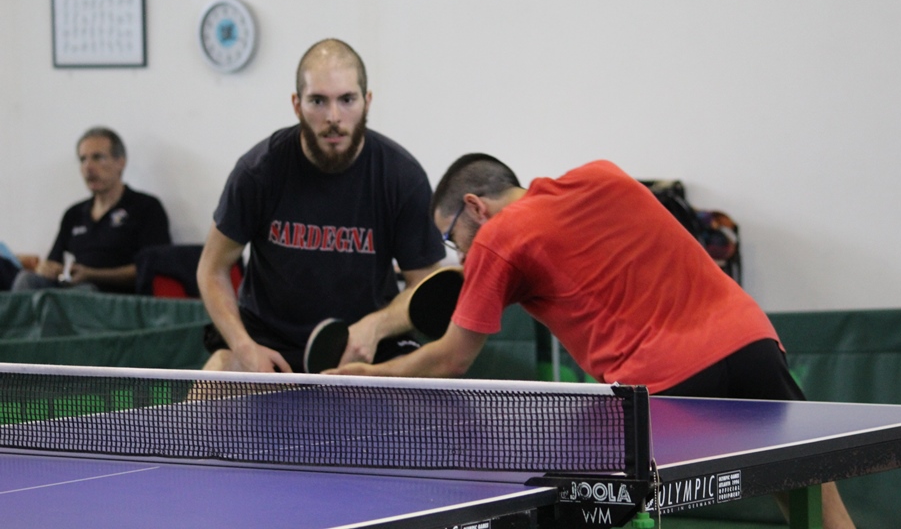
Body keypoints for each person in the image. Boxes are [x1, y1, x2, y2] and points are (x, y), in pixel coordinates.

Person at [329, 154, 857, 529]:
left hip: (663, 385)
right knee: (812, 502)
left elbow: (451, 359)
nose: (460, 254)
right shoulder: (601, 175)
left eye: (452, 238)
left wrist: (373, 376)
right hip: (752, 342)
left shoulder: (495, 239)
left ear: (475, 207)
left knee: (551, 498)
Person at [197, 38, 445, 374]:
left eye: (347, 100)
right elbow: (211, 269)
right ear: (297, 105)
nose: (333, 117)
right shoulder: (258, 172)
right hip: (270, 345)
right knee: (210, 386)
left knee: (416, 407)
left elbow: (425, 284)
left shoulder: (402, 177)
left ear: (367, 102)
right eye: (318, 101)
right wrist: (243, 346)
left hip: (365, 347)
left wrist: (375, 327)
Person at [12, 127, 171, 293]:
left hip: (113, 298)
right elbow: (55, 262)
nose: (89, 167)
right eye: (83, 160)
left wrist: (92, 275)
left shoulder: (145, 207)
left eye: (98, 157)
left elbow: (152, 268)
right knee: (26, 280)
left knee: (84, 292)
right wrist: (46, 268)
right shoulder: (74, 214)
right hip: (71, 290)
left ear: (120, 162)